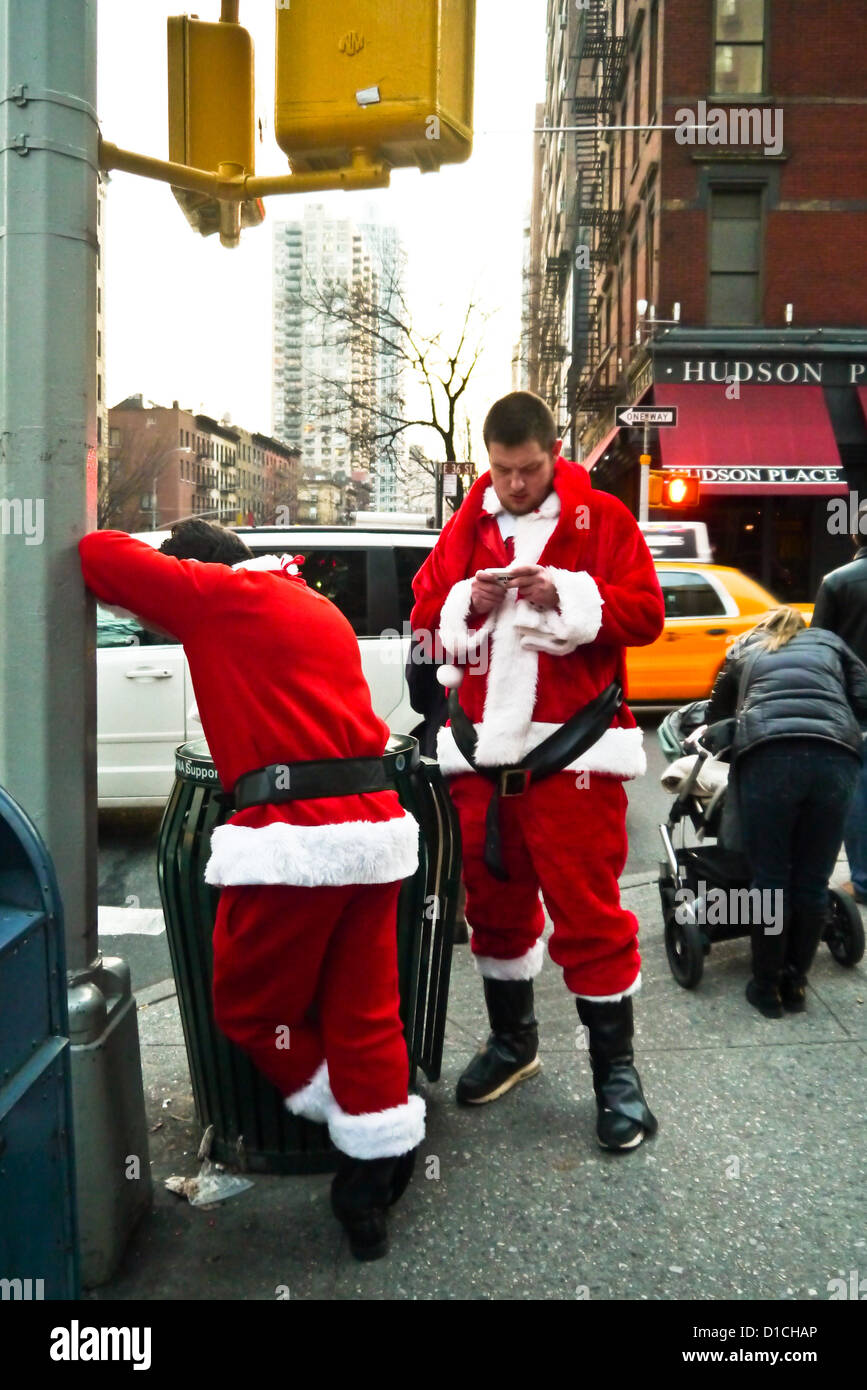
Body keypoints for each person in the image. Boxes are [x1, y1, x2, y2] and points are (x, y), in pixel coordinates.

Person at [79, 518, 423, 1260]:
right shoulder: (307, 600)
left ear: (198, 569)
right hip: (376, 833)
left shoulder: (218, 595)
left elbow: (98, 555)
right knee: (363, 1011)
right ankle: (374, 1169)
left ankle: (342, 1120)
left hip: (295, 845)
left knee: (244, 1004)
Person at [410, 391, 666, 1151]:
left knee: (589, 916)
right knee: (493, 912)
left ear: (553, 454)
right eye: (500, 471)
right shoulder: (466, 527)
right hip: (480, 760)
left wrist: (570, 596)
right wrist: (467, 600)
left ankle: (615, 1077)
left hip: (574, 759)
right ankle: (513, 1044)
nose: (514, 485)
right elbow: (426, 625)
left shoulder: (606, 522)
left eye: (525, 470)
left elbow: (646, 614)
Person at [704, 606, 867, 1017]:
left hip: (769, 757)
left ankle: (766, 988)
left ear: (763, 627)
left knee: (771, 879)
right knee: (813, 881)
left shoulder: (744, 648)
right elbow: (863, 697)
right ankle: (796, 984)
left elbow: (714, 716)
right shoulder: (831, 642)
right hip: (836, 759)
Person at [810, 513, 867, 903]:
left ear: (854, 534)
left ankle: (862, 880)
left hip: (854, 701)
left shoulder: (837, 582)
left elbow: (819, 647)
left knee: (858, 788)